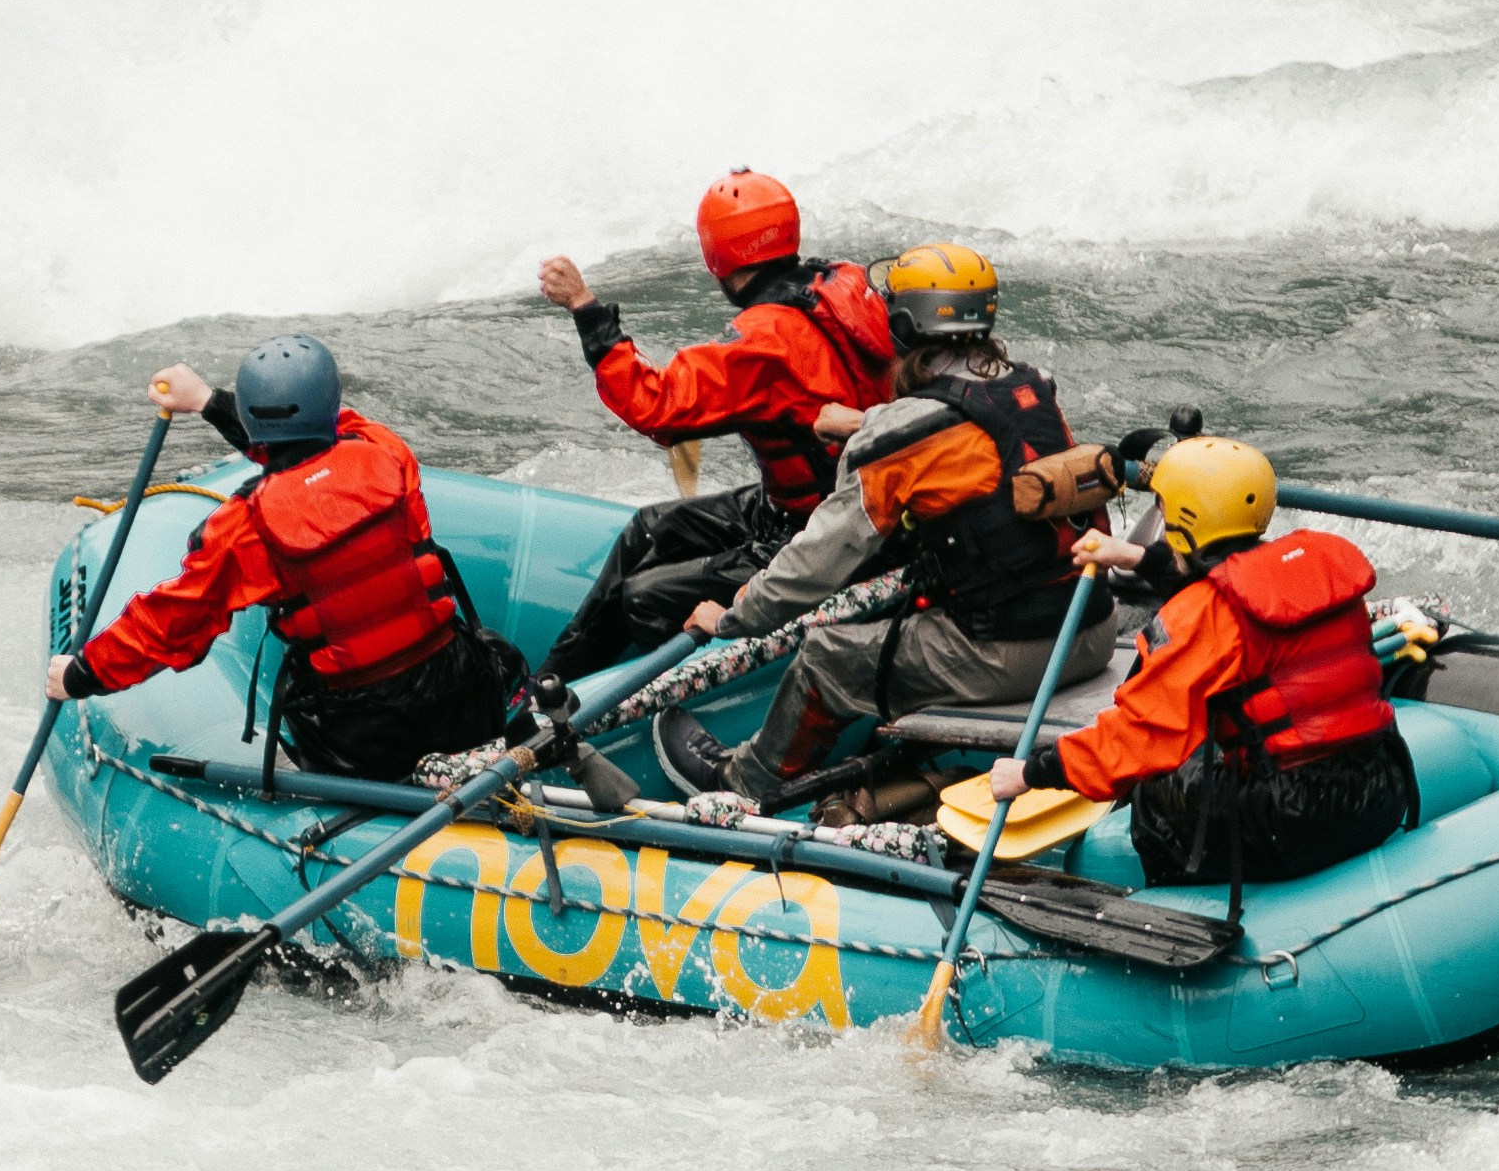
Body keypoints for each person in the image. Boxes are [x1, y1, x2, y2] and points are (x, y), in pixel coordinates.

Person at [698, 240, 1125, 805]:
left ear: (901, 324)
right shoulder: (1034, 386)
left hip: (1008, 653)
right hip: (1090, 628)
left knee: (825, 657)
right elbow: (973, 424)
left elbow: (812, 566)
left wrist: (734, 616)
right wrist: (867, 420)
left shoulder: (895, 439)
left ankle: (739, 785)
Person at [53, 333, 517, 778]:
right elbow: (317, 441)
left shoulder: (243, 529)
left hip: (363, 735)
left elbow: (172, 624)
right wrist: (210, 401)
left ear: (255, 424)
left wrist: (81, 675)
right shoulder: (386, 451)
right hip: (464, 694)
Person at [989, 438, 1419, 890]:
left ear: (1183, 521)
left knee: (1160, 782)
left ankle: (1175, 910)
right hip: (1379, 786)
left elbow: (1139, 739)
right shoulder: (1314, 567)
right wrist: (1133, 557)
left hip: (1293, 818)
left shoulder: (1202, 614)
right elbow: (1224, 580)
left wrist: (1032, 773)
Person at [535, 173, 896, 681]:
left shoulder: (763, 342)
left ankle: (674, 704)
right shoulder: (844, 284)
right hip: (838, 500)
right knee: (649, 527)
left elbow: (656, 407)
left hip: (825, 529)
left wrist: (585, 308)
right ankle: (548, 686)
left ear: (717, 258)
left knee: (644, 597)